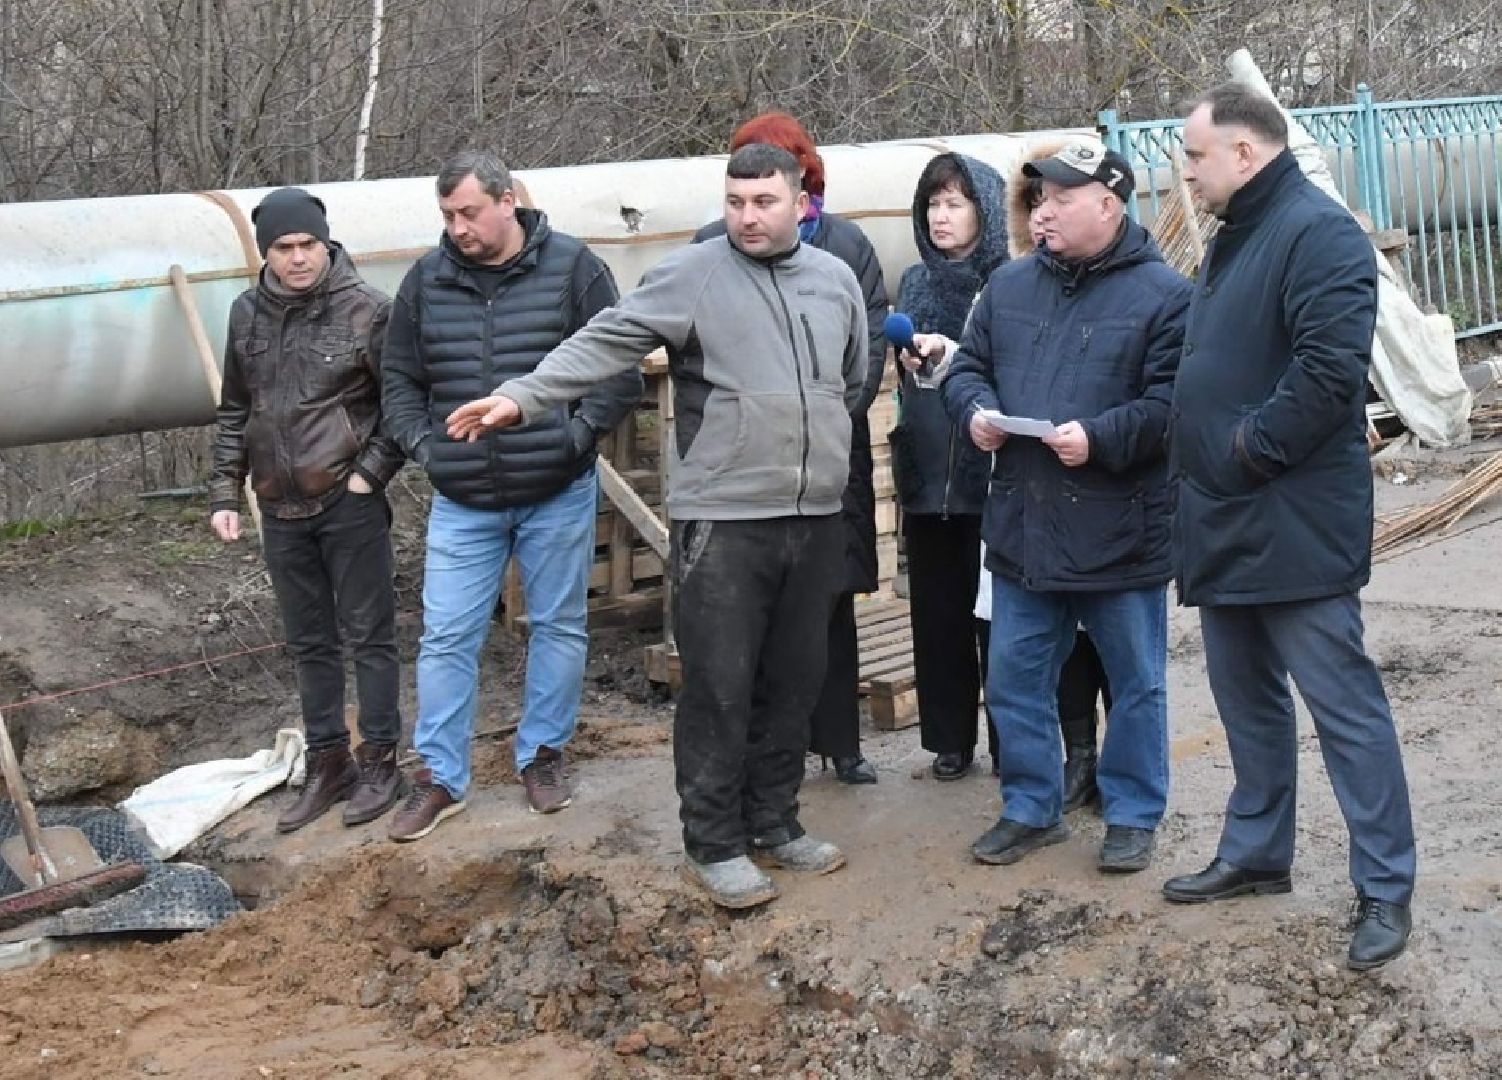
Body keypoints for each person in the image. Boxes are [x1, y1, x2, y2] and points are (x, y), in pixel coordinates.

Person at [446, 143, 869, 910]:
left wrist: (822, 450)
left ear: (800, 201)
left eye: (764, 202)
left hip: (812, 514)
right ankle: (713, 843)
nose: (746, 216)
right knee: (719, 685)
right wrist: (524, 396)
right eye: (735, 201)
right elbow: (608, 338)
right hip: (724, 519)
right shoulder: (695, 272)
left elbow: (853, 377)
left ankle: (776, 820)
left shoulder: (834, 281)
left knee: (795, 679)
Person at [1163, 83, 1416, 971]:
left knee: (1344, 709)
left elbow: (1326, 375)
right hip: (1223, 516)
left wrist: (1240, 451)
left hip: (1291, 520)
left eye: (1195, 157)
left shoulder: (1318, 233)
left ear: (1243, 152)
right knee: (1247, 702)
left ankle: (1385, 886)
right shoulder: (1237, 234)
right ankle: (1258, 852)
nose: (1186, 175)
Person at [941, 138, 1190, 873]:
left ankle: (1133, 813)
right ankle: (1030, 806)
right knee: (1014, 679)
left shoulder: (1167, 297)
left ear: (1108, 205)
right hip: (1026, 525)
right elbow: (968, 369)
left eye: (1061, 198)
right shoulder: (1010, 288)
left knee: (1135, 682)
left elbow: (1172, 406)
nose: (1043, 211)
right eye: (1040, 198)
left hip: (1119, 528)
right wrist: (976, 411)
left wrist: (1102, 439)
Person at [379, 150, 642, 839]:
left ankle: (543, 755)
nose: (458, 227)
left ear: (506, 201)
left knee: (556, 625)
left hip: (554, 487)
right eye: (447, 215)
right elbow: (399, 380)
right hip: (463, 498)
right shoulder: (425, 281)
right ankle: (440, 777)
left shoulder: (574, 268)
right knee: (446, 636)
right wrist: (425, 447)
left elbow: (620, 365)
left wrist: (575, 437)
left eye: (468, 212)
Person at [694, 111, 888, 786]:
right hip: (744, 471)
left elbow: (870, 344)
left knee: (826, 607)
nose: (751, 209)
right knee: (744, 626)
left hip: (827, 461)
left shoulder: (844, 247)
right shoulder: (705, 251)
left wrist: (826, 419)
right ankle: (760, 761)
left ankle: (841, 744)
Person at [209, 187, 405, 834]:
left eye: (308, 246)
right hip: (278, 505)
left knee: (370, 637)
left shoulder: (367, 312)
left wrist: (368, 476)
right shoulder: (246, 315)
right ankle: (328, 762)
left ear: (326, 243)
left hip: (347, 501)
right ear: (266, 253)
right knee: (308, 643)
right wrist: (224, 492)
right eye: (285, 248)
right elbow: (236, 409)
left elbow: (401, 407)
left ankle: (379, 761)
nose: (298, 259)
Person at [889, 152, 1007, 782]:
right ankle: (948, 739)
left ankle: (1009, 740)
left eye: (955, 202)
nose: (942, 215)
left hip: (988, 476)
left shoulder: (1011, 279)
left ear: (983, 208)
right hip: (927, 469)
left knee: (998, 620)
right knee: (936, 615)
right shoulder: (913, 281)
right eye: (933, 203)